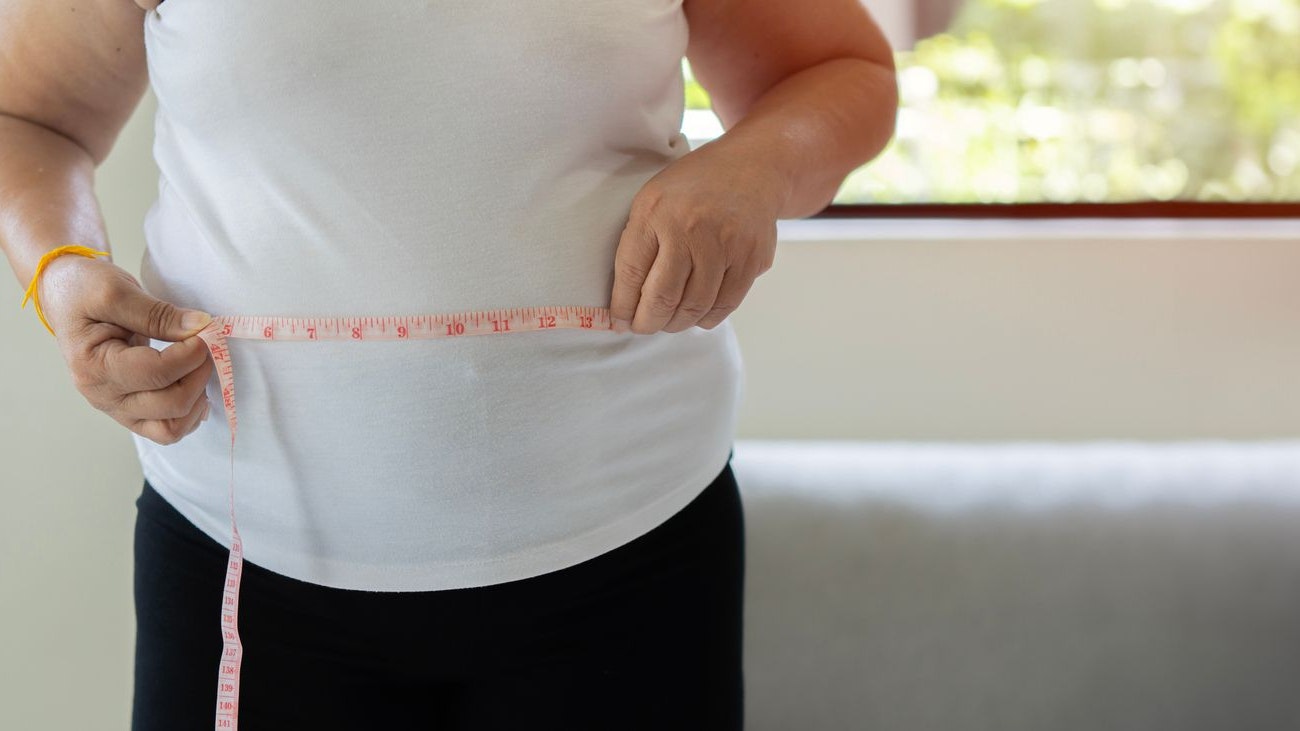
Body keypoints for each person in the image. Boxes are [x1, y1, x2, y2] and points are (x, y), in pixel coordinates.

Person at [0, 0, 897, 728]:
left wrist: (755, 167)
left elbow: (838, 72)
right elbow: (27, 117)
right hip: (243, 559)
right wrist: (59, 270)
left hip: (629, 547)